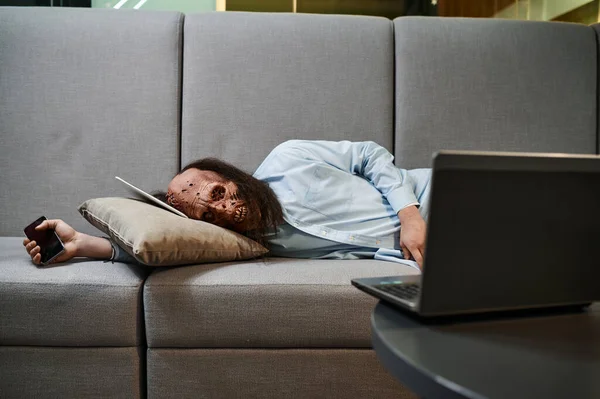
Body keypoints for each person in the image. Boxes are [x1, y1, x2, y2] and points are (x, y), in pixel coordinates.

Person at [23, 140, 432, 269]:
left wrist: (409, 215)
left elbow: (369, 154)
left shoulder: (289, 158)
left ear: (229, 176)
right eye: (207, 216)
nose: (224, 210)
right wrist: (79, 244)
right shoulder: (249, 243)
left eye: (218, 195)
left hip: (435, 196)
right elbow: (166, 245)